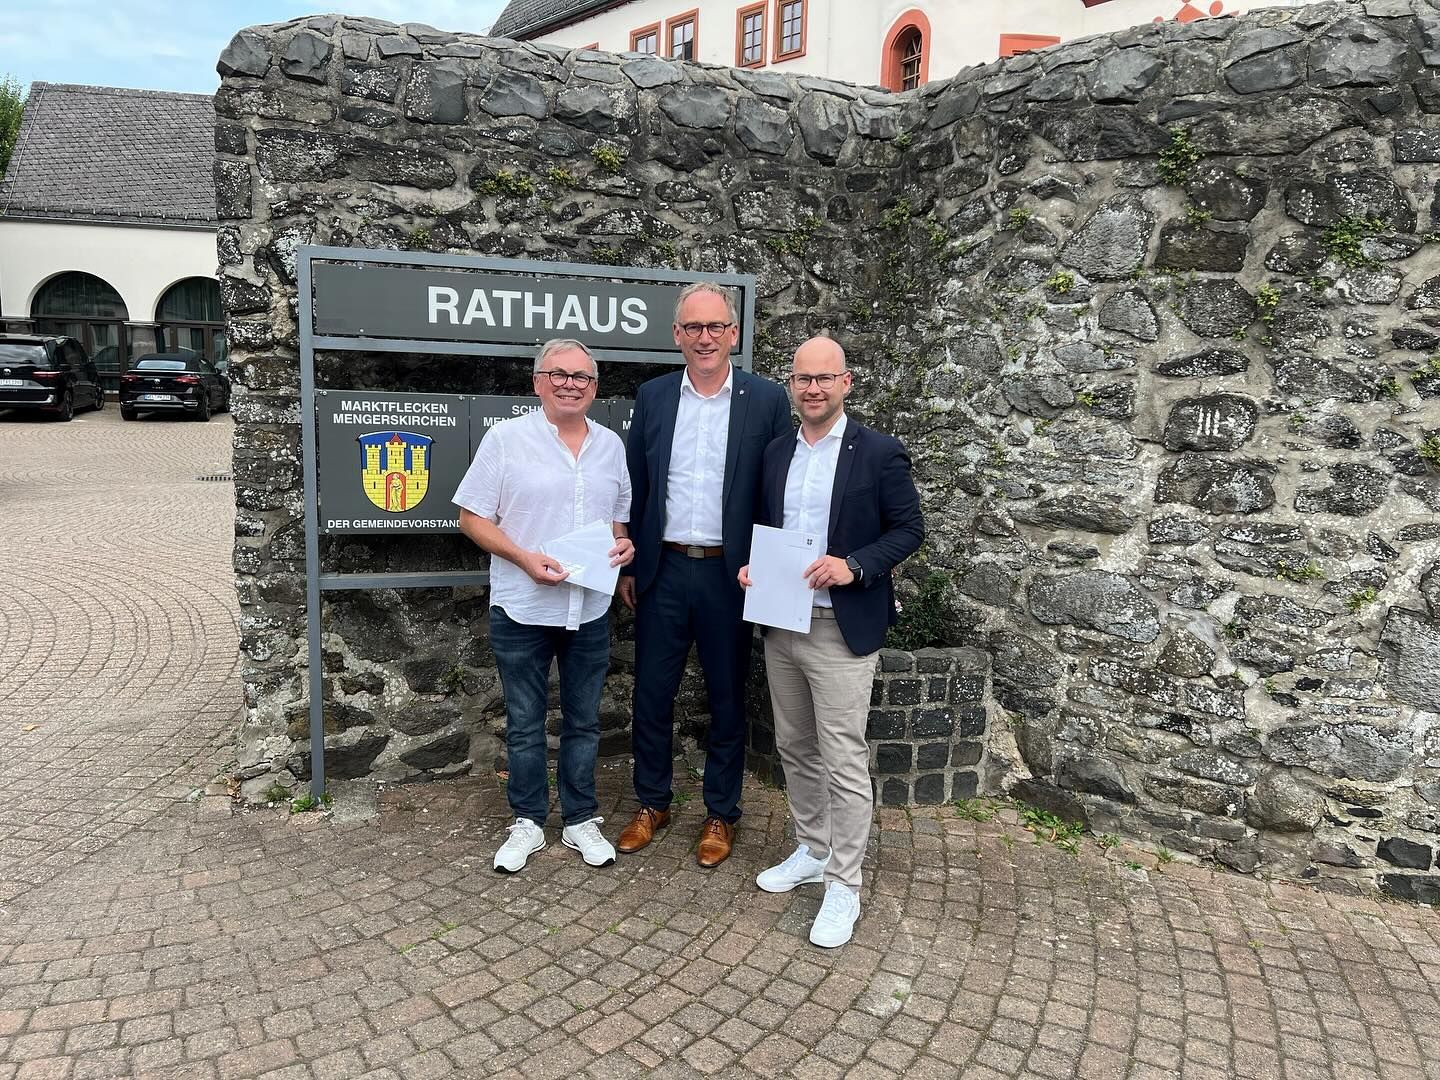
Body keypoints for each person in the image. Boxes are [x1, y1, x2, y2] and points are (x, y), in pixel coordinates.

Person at [739, 335, 923, 947]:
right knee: (795, 746)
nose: (812, 388)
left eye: (824, 378)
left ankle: (845, 883)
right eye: (802, 378)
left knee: (842, 755)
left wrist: (854, 565)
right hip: (782, 619)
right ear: (791, 386)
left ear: (846, 383)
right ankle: (813, 850)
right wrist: (754, 568)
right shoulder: (775, 453)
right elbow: (767, 530)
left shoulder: (879, 452)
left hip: (841, 628)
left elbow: (909, 529)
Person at [615, 282, 792, 867]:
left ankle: (721, 811)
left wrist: (771, 567)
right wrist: (632, 562)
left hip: (730, 575)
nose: (705, 337)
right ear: (677, 335)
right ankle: (652, 802)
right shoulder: (654, 396)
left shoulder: (766, 399)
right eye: (693, 327)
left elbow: (777, 490)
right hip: (663, 568)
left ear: (734, 333)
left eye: (716, 326)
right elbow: (637, 484)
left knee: (727, 696)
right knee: (652, 693)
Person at [453, 338, 635, 874]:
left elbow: (617, 519)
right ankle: (529, 821)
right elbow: (471, 517)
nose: (570, 384)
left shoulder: (611, 446)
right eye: (559, 374)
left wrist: (624, 545)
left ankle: (580, 819)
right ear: (537, 382)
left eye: (581, 377)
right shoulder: (505, 439)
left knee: (584, 722)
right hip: (522, 606)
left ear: (594, 388)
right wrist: (524, 557)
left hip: (589, 608)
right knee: (526, 723)